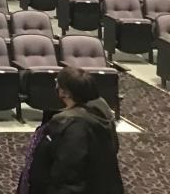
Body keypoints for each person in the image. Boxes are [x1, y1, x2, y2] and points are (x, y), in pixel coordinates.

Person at [21, 66, 124, 194]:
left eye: (57, 82)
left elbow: (67, 176)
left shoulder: (73, 127)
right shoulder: (102, 113)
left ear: (65, 92)